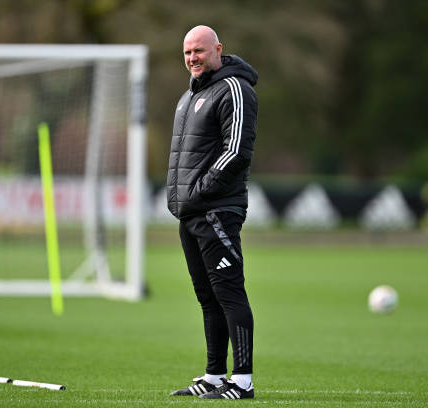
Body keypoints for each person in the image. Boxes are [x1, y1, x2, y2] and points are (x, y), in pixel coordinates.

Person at [167, 25, 258, 400]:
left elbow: (236, 152)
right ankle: (214, 375)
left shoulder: (236, 89)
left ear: (217, 48)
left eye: (199, 51)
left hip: (217, 210)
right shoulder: (188, 96)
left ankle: (242, 381)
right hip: (191, 214)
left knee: (229, 294)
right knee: (208, 298)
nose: (193, 58)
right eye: (187, 52)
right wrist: (183, 200)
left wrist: (200, 192)